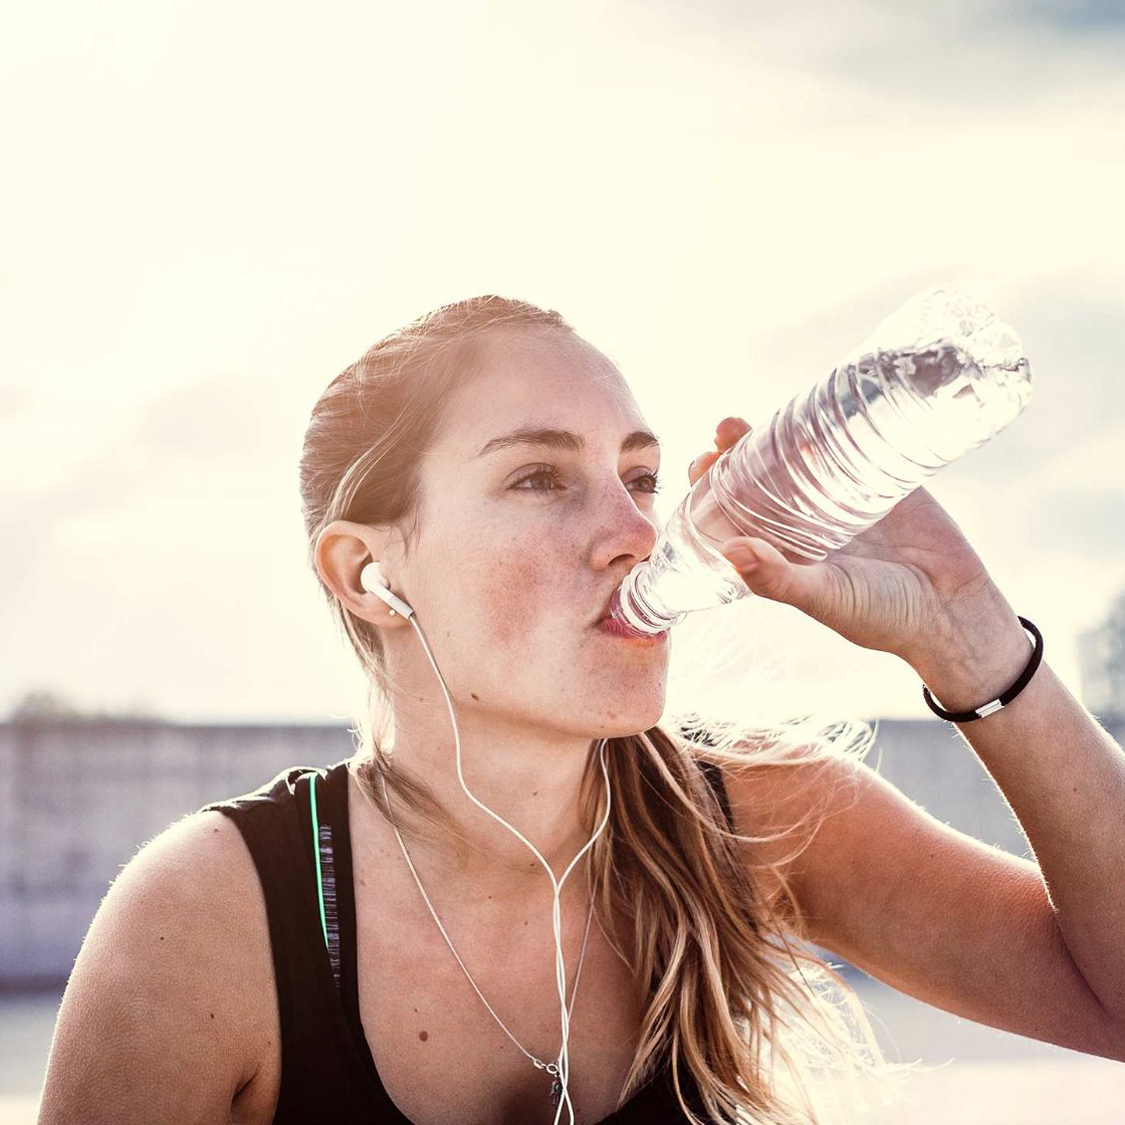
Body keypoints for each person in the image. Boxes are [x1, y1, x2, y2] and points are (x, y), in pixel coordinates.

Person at [38, 296, 1125, 1125]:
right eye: (539, 480)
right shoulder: (212, 922)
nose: (637, 532)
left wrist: (972, 638)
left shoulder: (751, 819)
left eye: (641, 478)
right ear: (370, 574)